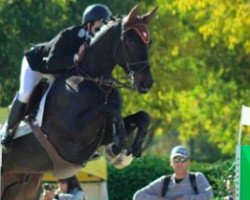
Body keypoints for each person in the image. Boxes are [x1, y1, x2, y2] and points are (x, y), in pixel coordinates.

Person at [0, 4, 112, 152]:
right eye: (102, 22)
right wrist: (75, 57)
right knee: (25, 93)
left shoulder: (93, 43)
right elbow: (52, 62)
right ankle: (8, 131)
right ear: (90, 22)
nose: (104, 26)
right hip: (37, 64)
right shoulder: (70, 34)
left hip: (58, 72)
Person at [133, 145, 214, 200]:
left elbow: (209, 196)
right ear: (171, 163)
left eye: (182, 160)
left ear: (189, 162)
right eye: (176, 160)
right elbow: (138, 196)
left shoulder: (197, 178)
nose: (179, 163)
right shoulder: (164, 181)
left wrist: (185, 198)